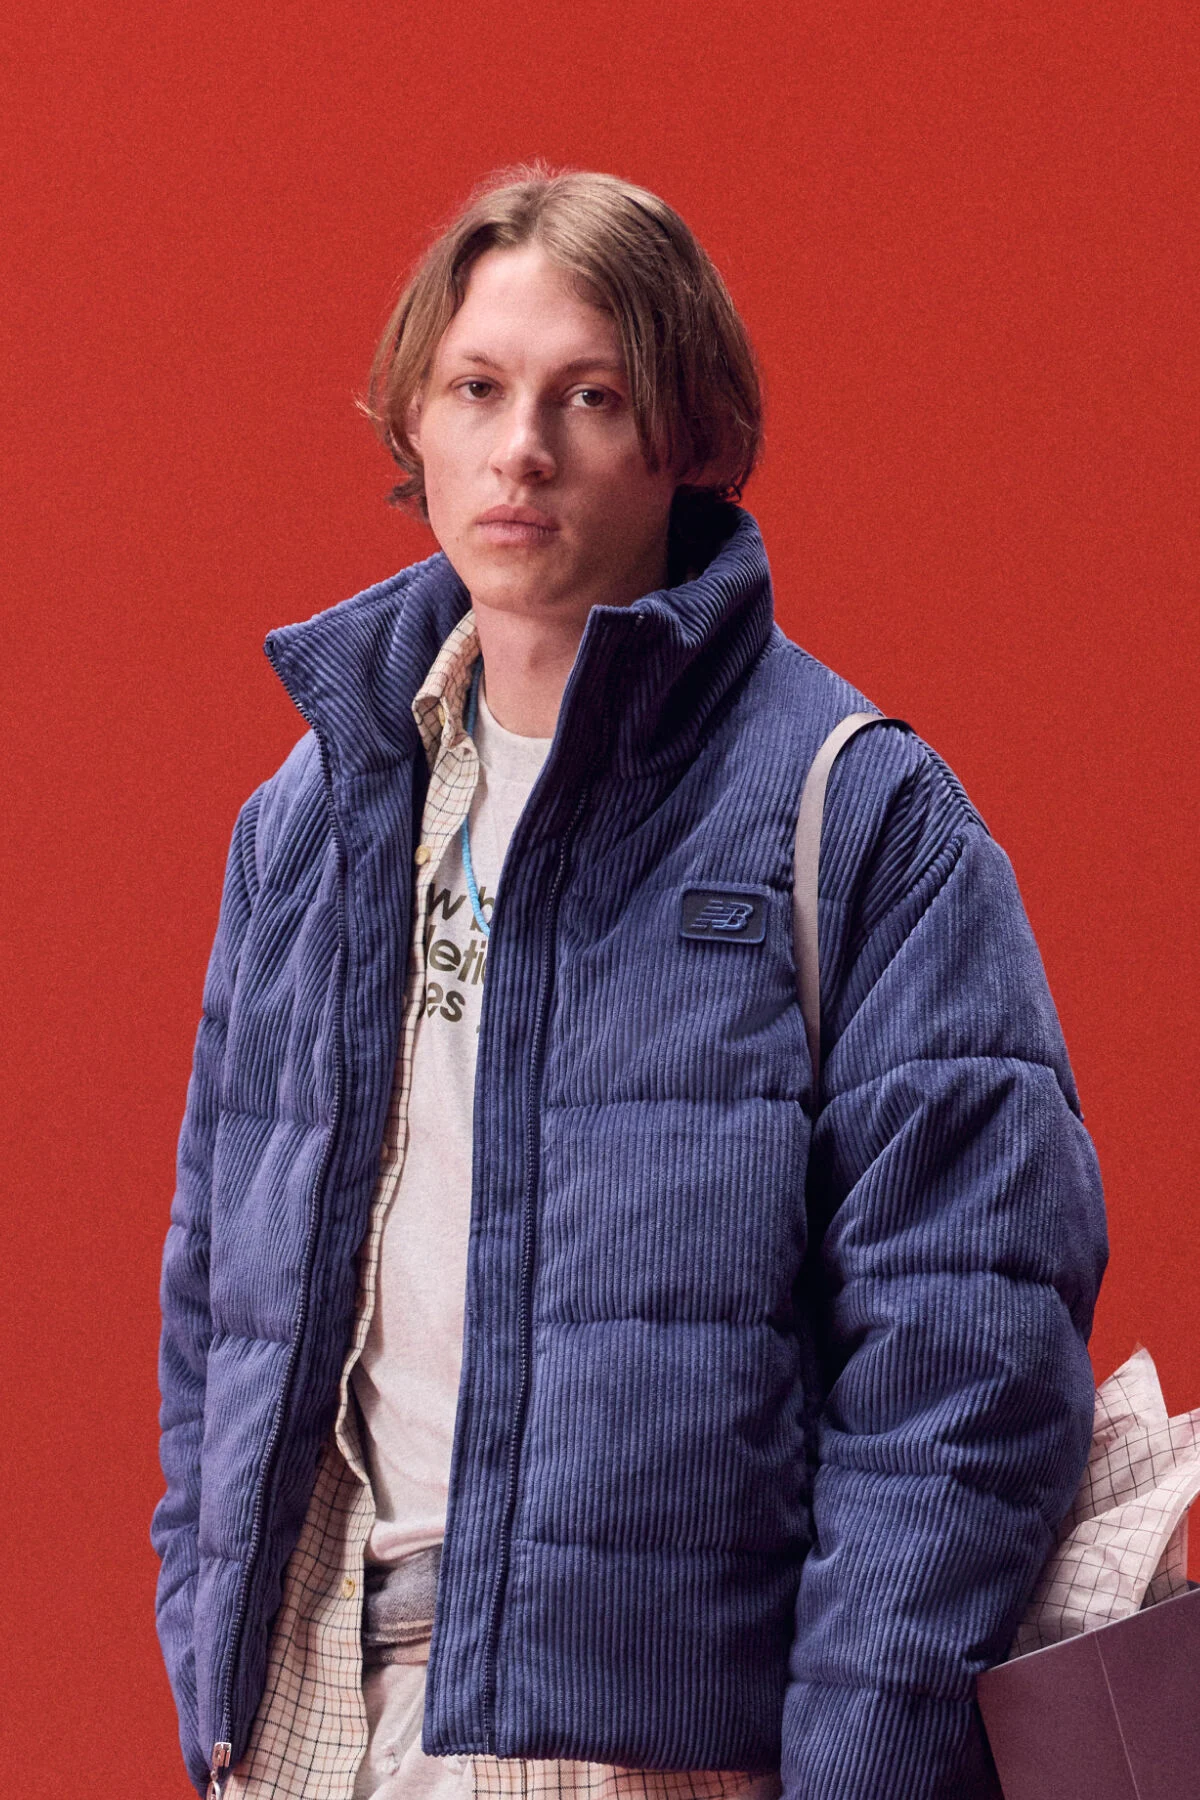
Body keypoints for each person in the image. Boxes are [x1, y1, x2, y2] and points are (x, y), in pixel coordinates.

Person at [152, 164, 1108, 1800]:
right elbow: (211, 1304)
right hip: (328, 1723)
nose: (521, 448)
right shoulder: (308, 825)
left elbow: (971, 1356)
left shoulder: (852, 811)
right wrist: (212, 1652)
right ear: (416, 427)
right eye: (478, 389)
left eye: (587, 396)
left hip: (661, 1747)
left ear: (685, 437)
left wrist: (857, 1762)